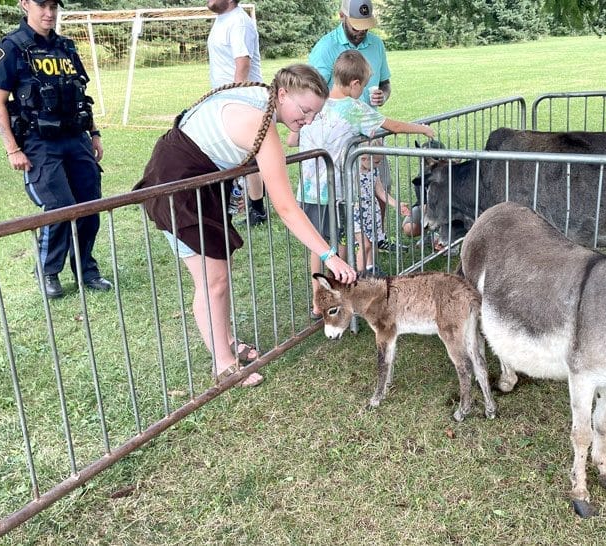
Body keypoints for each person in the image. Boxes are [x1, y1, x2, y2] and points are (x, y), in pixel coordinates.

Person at [133, 65, 357, 386]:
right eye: (304, 110)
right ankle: (224, 365)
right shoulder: (260, 122)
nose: (307, 121)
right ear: (282, 94)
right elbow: (286, 207)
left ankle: (224, 343)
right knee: (213, 281)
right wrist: (329, 255)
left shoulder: (262, 101)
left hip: (199, 182)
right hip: (177, 184)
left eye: (313, 115)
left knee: (218, 275)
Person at [0, 0, 112, 299]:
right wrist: (12, 149)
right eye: (42, 4)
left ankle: (86, 270)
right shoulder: (10, 48)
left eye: (54, 5)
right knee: (58, 207)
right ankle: (48, 271)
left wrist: (93, 133)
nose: (50, 12)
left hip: (76, 138)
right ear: (24, 4)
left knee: (89, 205)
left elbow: (80, 93)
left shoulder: (66, 47)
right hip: (39, 143)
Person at [290, 51, 433, 312]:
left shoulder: (317, 104)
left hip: (309, 189)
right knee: (338, 241)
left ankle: (323, 297)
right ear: (355, 84)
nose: (363, 91)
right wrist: (422, 128)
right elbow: (392, 126)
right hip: (337, 191)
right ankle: (329, 296)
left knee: (320, 245)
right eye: (364, 86)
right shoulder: (352, 108)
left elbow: (293, 138)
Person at [309, 0, 402, 252]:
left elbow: (385, 83)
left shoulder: (378, 45)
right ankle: (348, 246)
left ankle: (375, 239)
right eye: (356, 25)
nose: (361, 31)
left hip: (369, 133)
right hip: (340, 136)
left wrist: (382, 95)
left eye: (366, 25)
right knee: (346, 194)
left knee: (380, 183)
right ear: (341, 16)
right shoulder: (325, 48)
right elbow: (313, 92)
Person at [207, 0, 268, 226]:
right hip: (225, 100)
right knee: (242, 156)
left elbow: (242, 65)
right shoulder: (223, 20)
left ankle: (256, 209)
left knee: (246, 156)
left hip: (241, 100)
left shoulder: (239, 22)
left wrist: (234, 100)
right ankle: (249, 206)